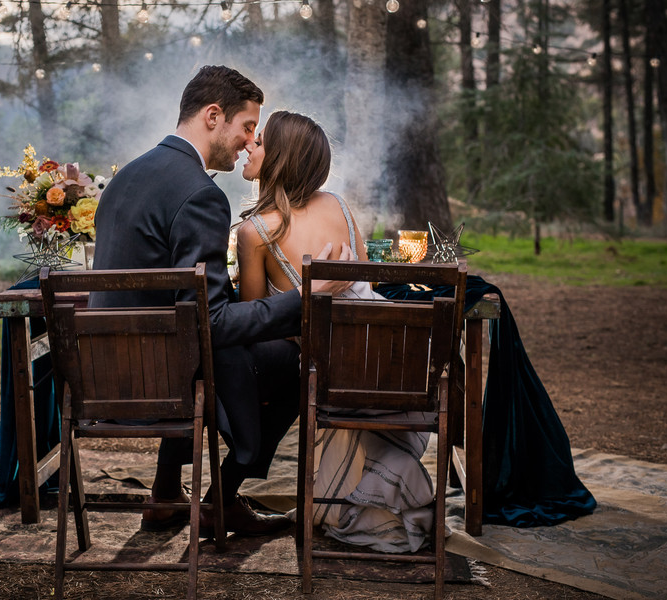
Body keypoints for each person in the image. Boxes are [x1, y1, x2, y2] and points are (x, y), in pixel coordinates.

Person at [89, 66, 350, 538]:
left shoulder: (126, 177)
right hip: (165, 376)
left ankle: (167, 491)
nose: (249, 142)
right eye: (248, 127)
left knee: (231, 347)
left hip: (107, 373)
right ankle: (228, 488)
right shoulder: (200, 195)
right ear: (213, 116)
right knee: (296, 360)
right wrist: (305, 300)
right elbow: (213, 324)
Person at [236, 110, 437, 553]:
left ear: (280, 158)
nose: (250, 144)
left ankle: (238, 475)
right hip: (383, 360)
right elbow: (369, 281)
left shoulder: (256, 233)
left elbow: (256, 318)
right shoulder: (341, 207)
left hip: (328, 373)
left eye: (261, 140)